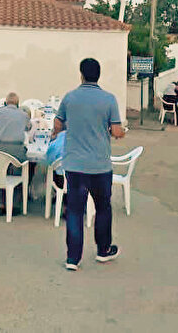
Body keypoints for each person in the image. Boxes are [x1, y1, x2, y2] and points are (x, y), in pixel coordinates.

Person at [52, 58, 125, 271]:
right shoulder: (109, 99)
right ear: (98, 75)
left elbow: (57, 124)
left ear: (81, 74)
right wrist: (119, 132)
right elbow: (117, 131)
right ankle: (103, 250)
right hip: (100, 166)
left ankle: (73, 259)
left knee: (75, 210)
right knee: (103, 208)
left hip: (74, 165)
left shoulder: (70, 98)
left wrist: (71, 125)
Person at [0, 92, 31, 215]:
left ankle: (1, 204)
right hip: (17, 149)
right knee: (20, 172)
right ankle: (15, 204)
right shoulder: (24, 115)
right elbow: (28, 128)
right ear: (18, 104)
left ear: (5, 103)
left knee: (0, 172)